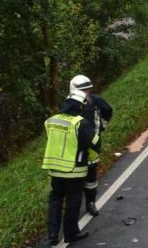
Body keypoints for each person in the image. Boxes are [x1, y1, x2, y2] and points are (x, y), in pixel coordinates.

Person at [42, 88, 100, 245]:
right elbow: (95, 143)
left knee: (55, 200)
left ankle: (53, 234)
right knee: (73, 202)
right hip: (74, 170)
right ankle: (71, 232)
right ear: (80, 106)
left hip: (55, 169)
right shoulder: (79, 123)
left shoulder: (51, 121)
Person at [69, 75, 113, 217]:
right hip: (74, 146)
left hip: (92, 145)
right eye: (83, 90)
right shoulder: (70, 104)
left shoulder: (95, 101)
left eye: (88, 90)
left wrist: (101, 127)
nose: (86, 93)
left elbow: (108, 110)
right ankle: (73, 207)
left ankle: (90, 203)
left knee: (91, 176)